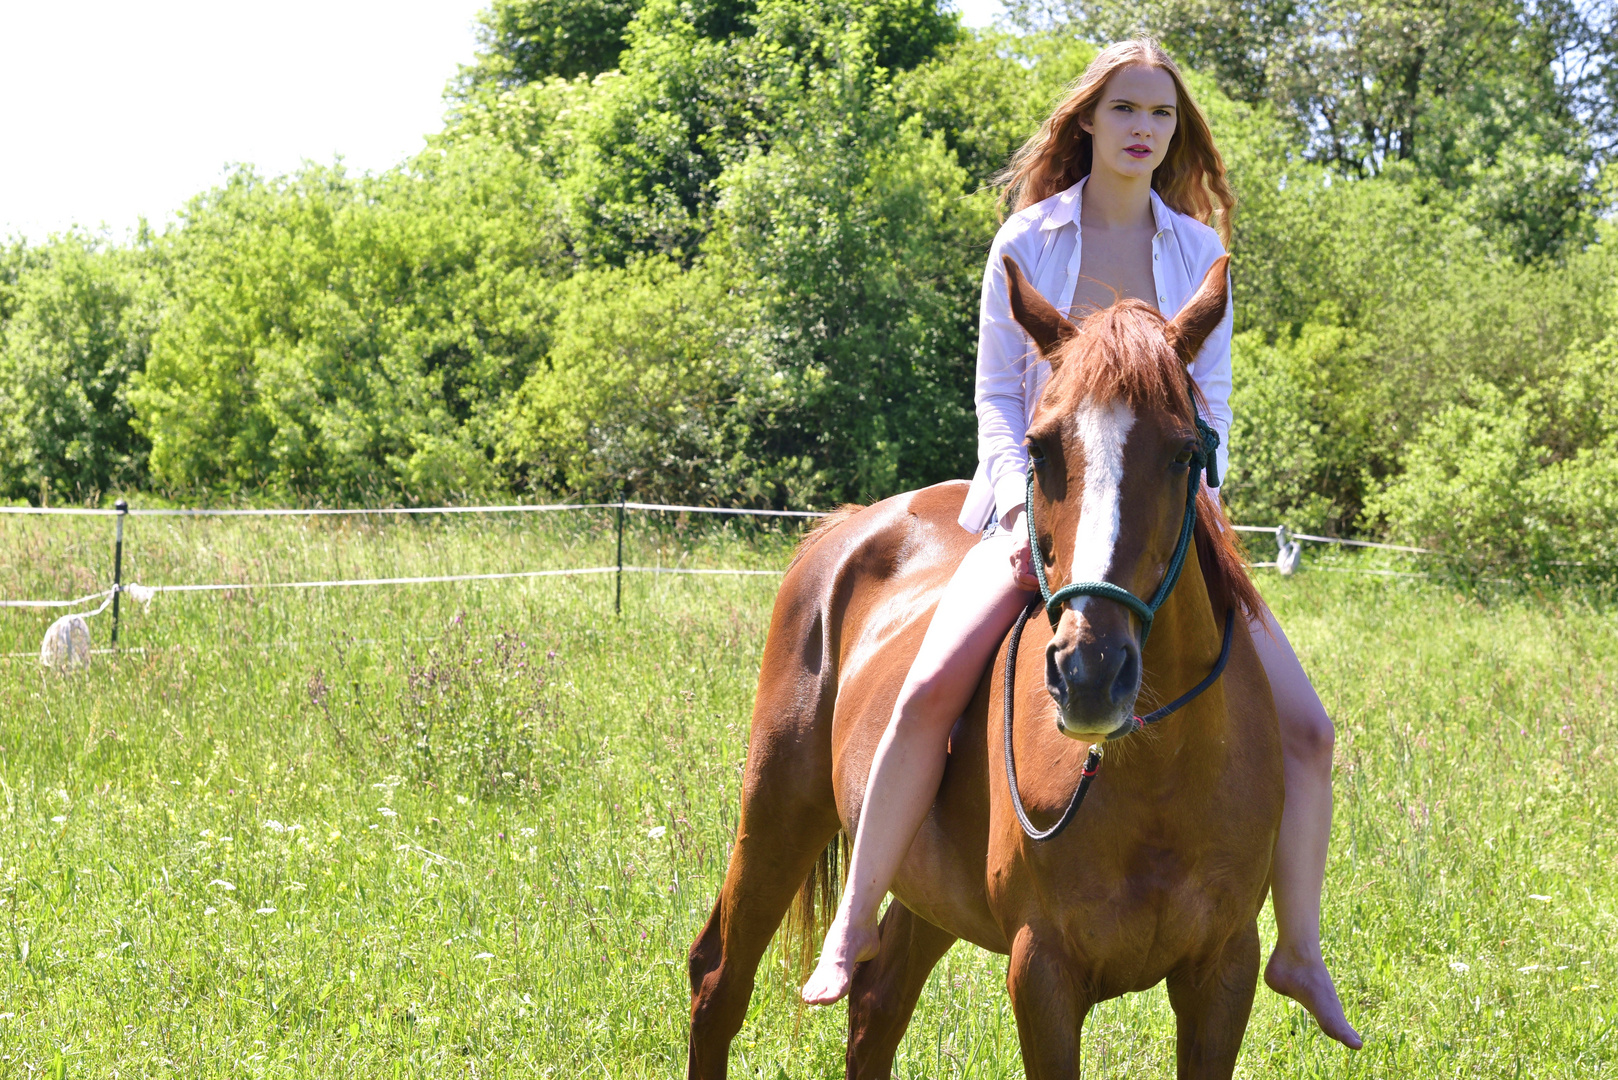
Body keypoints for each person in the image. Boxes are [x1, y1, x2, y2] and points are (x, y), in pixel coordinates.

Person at [800, 37, 1362, 1050]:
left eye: (1161, 114)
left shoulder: (1196, 251)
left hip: (1163, 517)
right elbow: (996, 394)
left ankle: (1301, 949)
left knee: (1310, 731)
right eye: (1126, 110)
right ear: (1089, 122)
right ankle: (853, 921)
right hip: (1043, 505)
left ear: (1176, 132)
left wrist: (1190, 505)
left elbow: (1212, 406)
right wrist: (1022, 505)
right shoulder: (1027, 238)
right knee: (925, 694)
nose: (1144, 129)